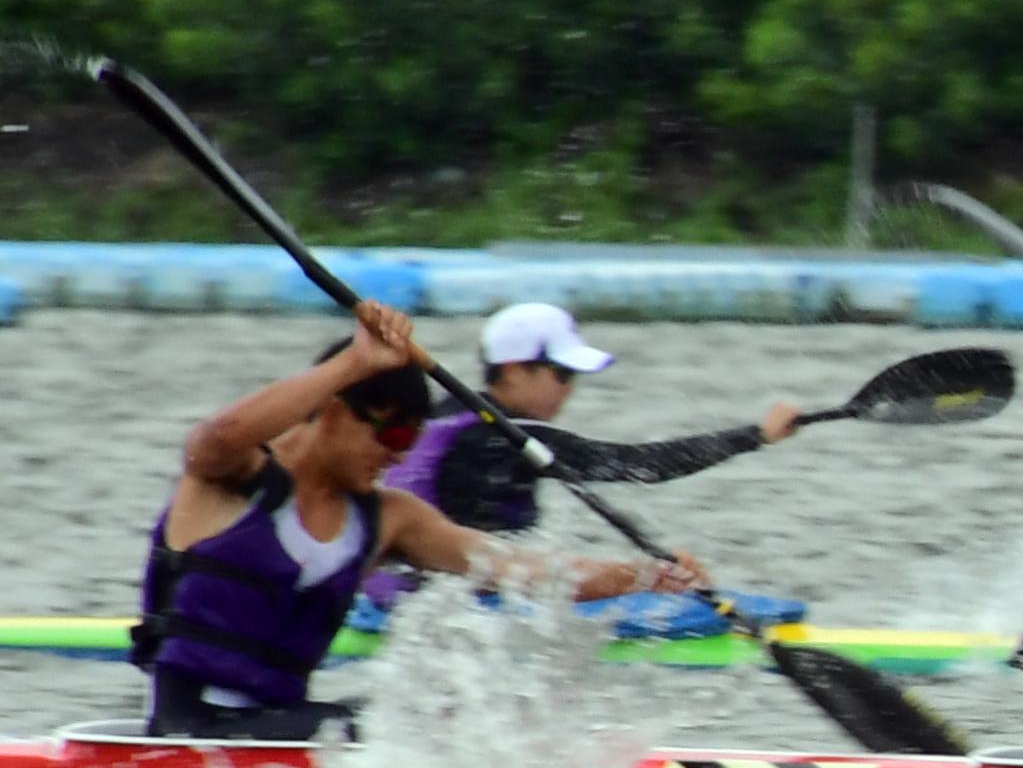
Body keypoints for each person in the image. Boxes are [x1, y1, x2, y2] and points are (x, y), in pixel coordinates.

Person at [138, 305, 702, 741]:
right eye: (393, 435)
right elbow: (214, 437)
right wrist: (354, 362)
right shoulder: (233, 479)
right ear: (335, 411)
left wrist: (643, 576)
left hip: (281, 726)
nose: (400, 458)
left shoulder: (388, 519)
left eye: (411, 439)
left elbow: (524, 570)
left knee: (456, 716)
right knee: (411, 732)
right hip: (187, 729)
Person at [384, 302, 802, 539]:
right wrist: (756, 435)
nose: (569, 389)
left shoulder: (446, 414)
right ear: (513, 370)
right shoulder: (508, 437)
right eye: (562, 374)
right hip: (462, 602)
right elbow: (640, 465)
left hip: (407, 593)